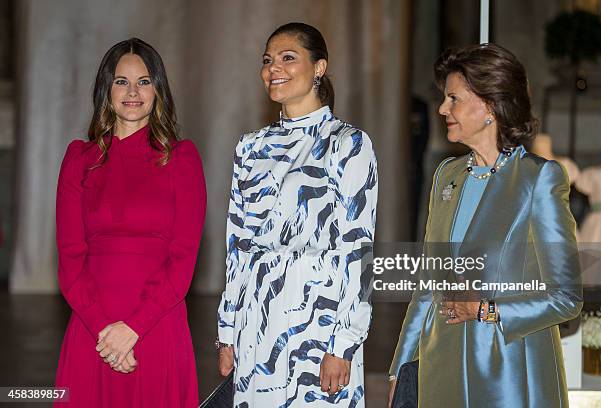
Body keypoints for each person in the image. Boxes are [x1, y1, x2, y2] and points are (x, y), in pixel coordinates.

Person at [388, 44, 582, 408]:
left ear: (490, 105)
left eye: (453, 99)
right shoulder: (447, 176)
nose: (443, 109)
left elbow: (566, 297)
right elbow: (427, 286)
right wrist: (401, 368)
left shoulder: (538, 179)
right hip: (439, 373)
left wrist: (487, 309)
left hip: (509, 376)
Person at [216, 22, 378, 407]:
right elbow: (237, 245)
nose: (275, 68)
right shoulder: (250, 147)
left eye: (289, 58)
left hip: (318, 318)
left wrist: (345, 341)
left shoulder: (348, 143)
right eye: (268, 60)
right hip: (257, 318)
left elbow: (359, 249)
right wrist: (228, 330)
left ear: (319, 68)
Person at [54, 38, 205, 407]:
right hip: (93, 331)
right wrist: (106, 332)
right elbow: (70, 258)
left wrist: (132, 329)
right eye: (121, 81)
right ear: (106, 90)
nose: (133, 91)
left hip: (157, 328)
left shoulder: (182, 159)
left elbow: (184, 258)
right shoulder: (79, 159)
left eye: (144, 81)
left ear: (159, 90)